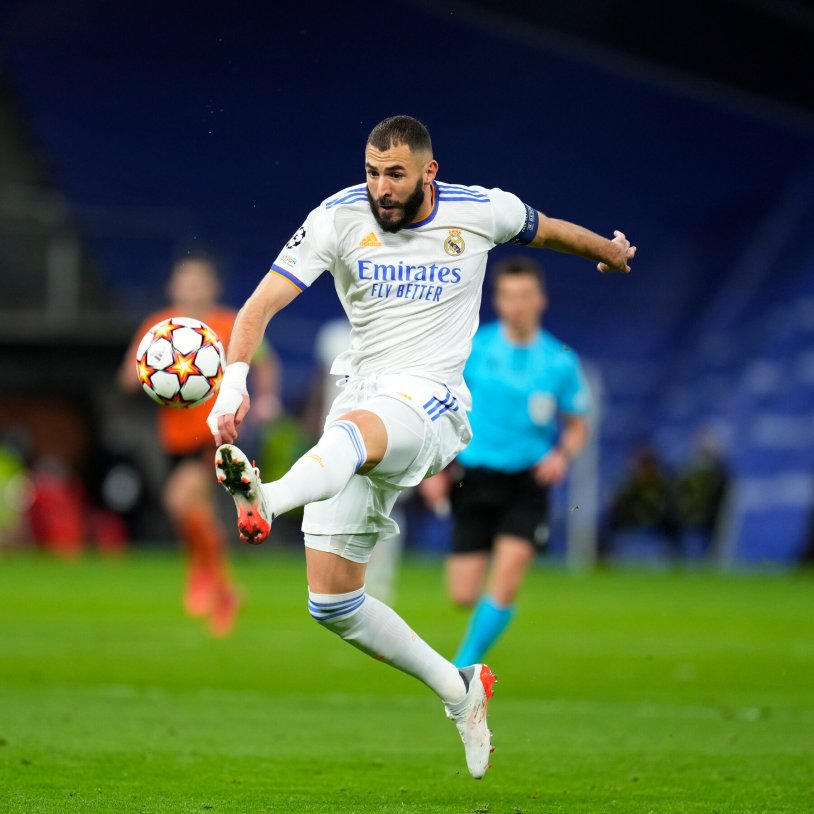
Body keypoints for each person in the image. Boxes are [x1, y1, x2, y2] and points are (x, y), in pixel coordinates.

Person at [206, 115, 635, 778]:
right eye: (373, 171)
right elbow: (259, 307)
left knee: (354, 432)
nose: (381, 186)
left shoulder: (481, 210)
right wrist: (233, 380)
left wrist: (606, 250)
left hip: (433, 403)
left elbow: (547, 230)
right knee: (333, 603)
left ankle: (269, 495)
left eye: (395, 174)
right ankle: (461, 690)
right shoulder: (337, 217)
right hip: (363, 399)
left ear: (428, 172)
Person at [424, 256, 591, 668]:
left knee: (507, 577)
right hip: (474, 477)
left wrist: (561, 455)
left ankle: (463, 666)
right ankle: (478, 633)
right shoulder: (474, 348)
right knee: (462, 594)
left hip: (527, 481)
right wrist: (434, 469)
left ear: (541, 300)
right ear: (497, 301)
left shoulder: (560, 360)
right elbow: (442, 409)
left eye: (525, 295)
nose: (517, 304)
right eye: (509, 296)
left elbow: (577, 424)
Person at [119, 253, 280, 636]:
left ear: (213, 287)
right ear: (173, 286)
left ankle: (207, 579)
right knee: (194, 511)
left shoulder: (229, 323)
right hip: (174, 437)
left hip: (214, 431)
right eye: (185, 280)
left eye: (199, 280)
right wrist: (156, 375)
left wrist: (267, 398)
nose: (192, 287)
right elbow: (127, 376)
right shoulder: (158, 328)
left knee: (178, 500)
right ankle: (222, 589)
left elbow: (265, 361)